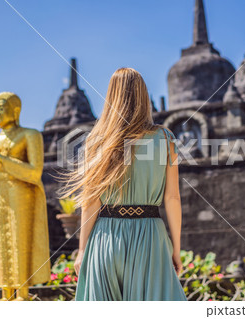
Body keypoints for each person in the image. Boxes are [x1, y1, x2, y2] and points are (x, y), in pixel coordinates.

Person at [56, 67, 187, 301]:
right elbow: (172, 198)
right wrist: (176, 250)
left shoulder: (97, 141)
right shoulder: (165, 139)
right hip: (149, 237)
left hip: (105, 238)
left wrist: (83, 249)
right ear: (144, 96)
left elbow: (91, 200)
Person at [0, 92, 51, 301]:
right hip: (1, 192)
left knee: (20, 238)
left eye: (1, 108)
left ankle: (23, 292)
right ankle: (6, 292)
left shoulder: (30, 135)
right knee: (2, 240)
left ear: (15, 110)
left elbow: (34, 172)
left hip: (23, 192)